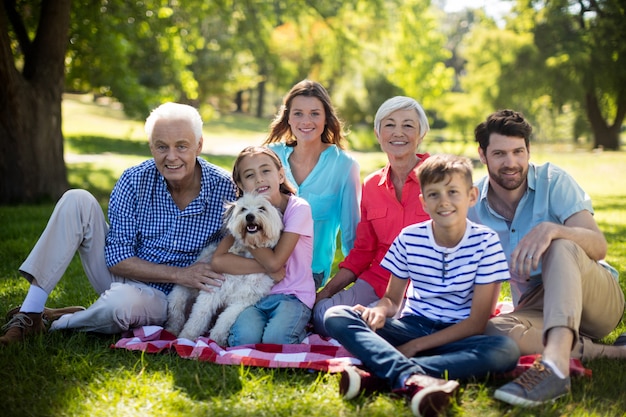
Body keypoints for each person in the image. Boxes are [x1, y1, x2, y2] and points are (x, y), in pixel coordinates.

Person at [0, 102, 238, 345]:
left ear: (199, 145)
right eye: (161, 147)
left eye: (182, 146)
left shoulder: (226, 189)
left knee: (120, 305)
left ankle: (61, 321)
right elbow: (117, 258)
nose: (171, 157)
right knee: (76, 199)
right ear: (151, 147)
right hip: (124, 275)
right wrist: (180, 273)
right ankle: (30, 314)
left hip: (172, 298)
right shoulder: (133, 180)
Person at [324, 154, 520, 417]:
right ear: (423, 202)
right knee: (336, 315)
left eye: (453, 192)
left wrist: (417, 346)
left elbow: (477, 322)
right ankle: (413, 377)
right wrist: (380, 310)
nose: (444, 202)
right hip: (411, 326)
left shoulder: (487, 243)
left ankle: (381, 376)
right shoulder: (409, 238)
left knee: (504, 351)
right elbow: (392, 300)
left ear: (471, 196)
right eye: (434, 194)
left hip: (459, 335)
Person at [468, 109, 626, 407]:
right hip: (536, 306)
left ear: (529, 151)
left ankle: (554, 366)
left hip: (594, 298)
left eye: (518, 152)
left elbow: (598, 246)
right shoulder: (472, 204)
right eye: (500, 153)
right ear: (482, 154)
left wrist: (553, 229)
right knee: (492, 333)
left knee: (560, 245)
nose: (511, 163)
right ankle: (616, 353)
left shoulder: (554, 181)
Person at [312, 96, 431, 336]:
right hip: (377, 280)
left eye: (408, 125)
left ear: (421, 134)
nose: (398, 133)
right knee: (322, 313)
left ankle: (371, 329)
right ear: (378, 134)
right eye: (389, 125)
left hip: (422, 287)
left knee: (405, 324)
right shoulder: (372, 185)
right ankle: (372, 329)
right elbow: (363, 250)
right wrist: (325, 292)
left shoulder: (438, 177)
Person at [210, 146, 315, 345]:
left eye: (266, 171)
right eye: (250, 175)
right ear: (240, 184)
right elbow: (218, 261)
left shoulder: (298, 209)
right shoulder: (242, 214)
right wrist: (247, 226)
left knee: (276, 340)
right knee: (244, 339)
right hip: (254, 297)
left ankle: (300, 334)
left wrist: (246, 232)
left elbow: (275, 264)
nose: (259, 179)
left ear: (281, 174)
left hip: (293, 295)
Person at [263, 80, 361, 289]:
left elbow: (351, 235)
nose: (306, 121)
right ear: (288, 117)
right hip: (262, 269)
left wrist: (355, 287)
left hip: (310, 275)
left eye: (315, 113)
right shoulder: (269, 157)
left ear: (326, 118)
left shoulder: (345, 166)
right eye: (298, 113)